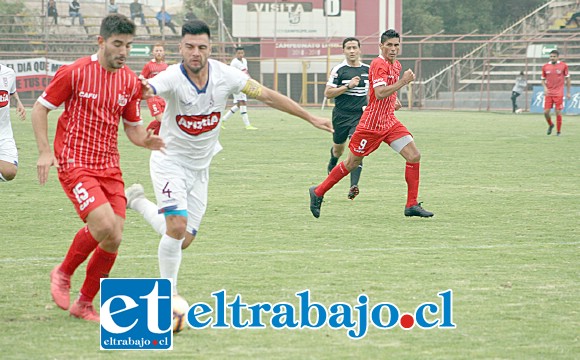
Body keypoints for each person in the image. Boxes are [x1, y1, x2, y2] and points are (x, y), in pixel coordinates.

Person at [125, 19, 332, 295]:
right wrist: (140, 89)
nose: (195, 52)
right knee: (176, 226)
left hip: (201, 168)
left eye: (201, 47)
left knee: (182, 238)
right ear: (181, 48)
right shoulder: (172, 76)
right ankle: (169, 296)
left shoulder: (226, 76)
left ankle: (137, 201)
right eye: (189, 47)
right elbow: (147, 90)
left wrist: (309, 117)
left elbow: (267, 96)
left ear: (210, 49)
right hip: (169, 161)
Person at [30, 14, 165, 322]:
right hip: (75, 162)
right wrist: (43, 151)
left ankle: (84, 303)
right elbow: (41, 108)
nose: (123, 52)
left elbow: (132, 128)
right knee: (103, 224)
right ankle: (63, 273)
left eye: (129, 46)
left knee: (114, 236)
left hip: (109, 167)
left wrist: (148, 140)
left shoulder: (130, 81)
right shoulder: (75, 72)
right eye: (117, 44)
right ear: (101, 41)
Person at [309, 29, 434, 219]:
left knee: (414, 155)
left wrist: (394, 100)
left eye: (396, 45)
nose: (393, 49)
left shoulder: (396, 65)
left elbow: (383, 94)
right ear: (381, 46)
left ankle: (411, 204)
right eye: (389, 45)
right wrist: (403, 82)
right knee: (351, 163)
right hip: (371, 125)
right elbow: (381, 92)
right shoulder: (377, 64)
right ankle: (318, 191)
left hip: (389, 122)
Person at [324, 37, 369, 200]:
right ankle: (332, 161)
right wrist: (347, 86)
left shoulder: (368, 70)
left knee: (357, 148)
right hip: (341, 116)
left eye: (354, 48)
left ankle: (353, 186)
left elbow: (376, 92)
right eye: (348, 48)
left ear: (359, 50)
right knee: (338, 149)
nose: (351, 51)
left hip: (360, 116)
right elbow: (328, 93)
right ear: (343, 50)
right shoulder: (339, 70)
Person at [0, 64, 26, 182]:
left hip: (4, 133)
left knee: (9, 172)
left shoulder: (8, 73)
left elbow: (11, 90)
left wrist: (18, 102)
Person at [221, 46, 257, 130]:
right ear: (236, 54)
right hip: (236, 84)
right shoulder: (235, 62)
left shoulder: (244, 60)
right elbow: (244, 72)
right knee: (242, 102)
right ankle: (247, 125)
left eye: (242, 53)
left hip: (242, 83)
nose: (240, 55)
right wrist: (251, 81)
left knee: (238, 105)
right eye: (239, 53)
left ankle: (223, 120)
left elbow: (245, 73)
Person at [541, 50, 571, 136]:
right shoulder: (545, 66)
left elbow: (568, 79)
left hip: (558, 93)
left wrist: (568, 92)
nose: (552, 58)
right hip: (549, 93)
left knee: (558, 112)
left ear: (558, 57)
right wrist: (545, 88)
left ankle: (558, 132)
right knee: (546, 112)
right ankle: (551, 124)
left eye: (554, 56)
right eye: (551, 56)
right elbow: (542, 79)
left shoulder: (563, 66)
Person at [140, 43, 168, 131]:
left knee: (165, 120)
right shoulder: (149, 65)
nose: (158, 53)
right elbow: (141, 78)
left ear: (163, 52)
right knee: (161, 119)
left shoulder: (165, 66)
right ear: (153, 52)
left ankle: (155, 137)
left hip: (163, 97)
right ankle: (146, 132)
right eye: (156, 51)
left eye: (160, 51)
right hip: (152, 97)